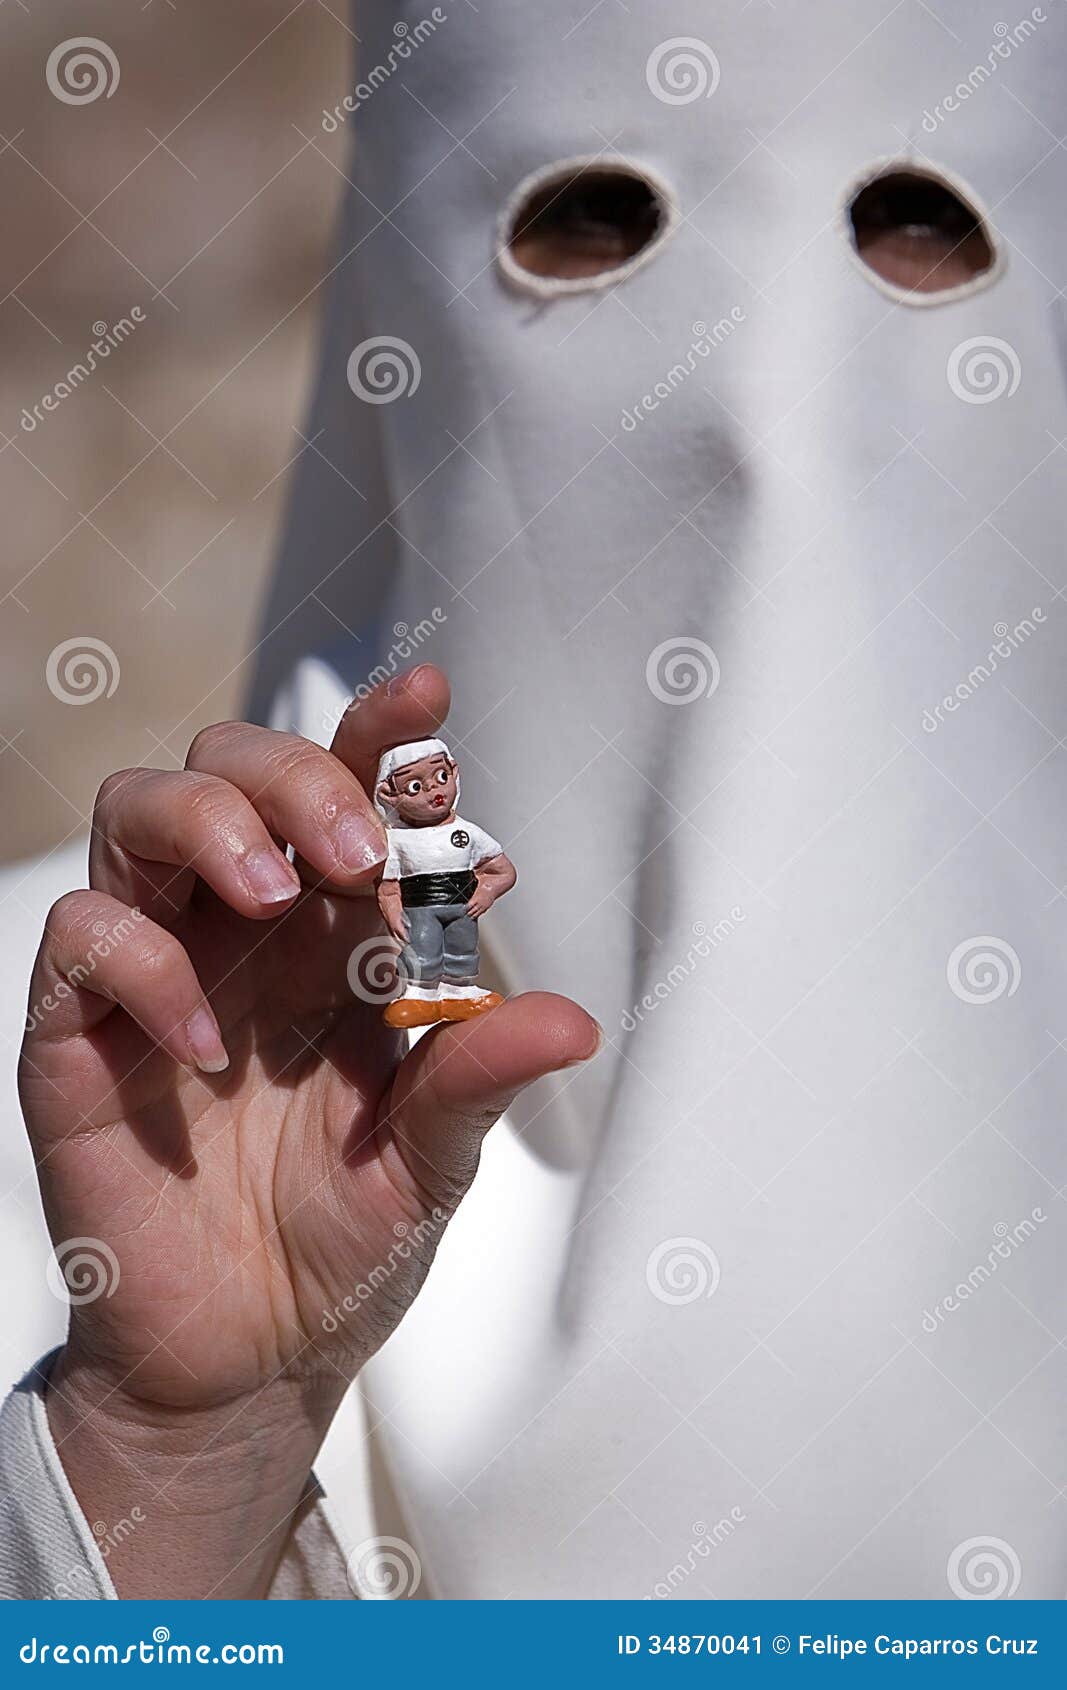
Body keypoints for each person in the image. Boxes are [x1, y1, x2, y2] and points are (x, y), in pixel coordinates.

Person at [2, 0, 1067, 1602]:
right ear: (398, 315)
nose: (757, 407)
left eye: (918, 219)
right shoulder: (93, 1083)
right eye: (597, 219)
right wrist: (167, 1465)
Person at [374, 737, 514, 1027]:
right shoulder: (397, 840)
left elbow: (503, 871)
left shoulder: (468, 832)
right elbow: (388, 886)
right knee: (423, 948)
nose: (434, 792)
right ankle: (420, 996)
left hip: (462, 903)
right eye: (415, 786)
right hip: (420, 907)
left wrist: (486, 893)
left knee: (462, 946)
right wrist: (392, 911)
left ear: (454, 772)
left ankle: (460, 992)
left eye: (440, 777)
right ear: (390, 795)